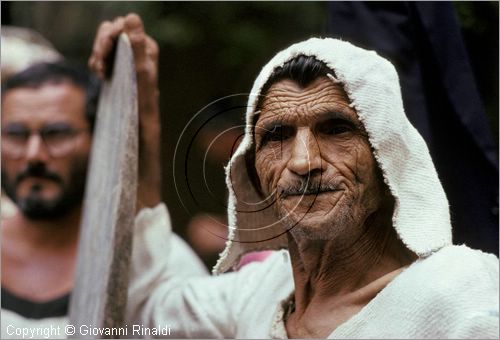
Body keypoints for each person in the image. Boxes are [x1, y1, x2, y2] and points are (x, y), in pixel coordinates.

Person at [87, 15, 498, 338]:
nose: (304, 161)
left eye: (337, 129)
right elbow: (143, 310)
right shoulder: (259, 294)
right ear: (253, 174)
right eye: (277, 136)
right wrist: (137, 104)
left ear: (386, 157)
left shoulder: (463, 295)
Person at [0, 14, 206, 336]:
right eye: (15, 134)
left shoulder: (160, 262)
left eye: (57, 133)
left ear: (97, 139)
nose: (34, 155)